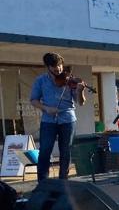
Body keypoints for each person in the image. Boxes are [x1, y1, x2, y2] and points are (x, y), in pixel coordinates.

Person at [30, 53, 86, 181]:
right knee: (45, 151)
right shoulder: (40, 80)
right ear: (48, 67)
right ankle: (43, 183)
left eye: (60, 66)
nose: (59, 69)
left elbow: (81, 103)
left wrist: (80, 91)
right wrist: (46, 108)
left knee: (66, 151)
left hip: (68, 119)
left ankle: (63, 182)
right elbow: (33, 100)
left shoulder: (70, 80)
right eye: (55, 67)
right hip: (48, 120)